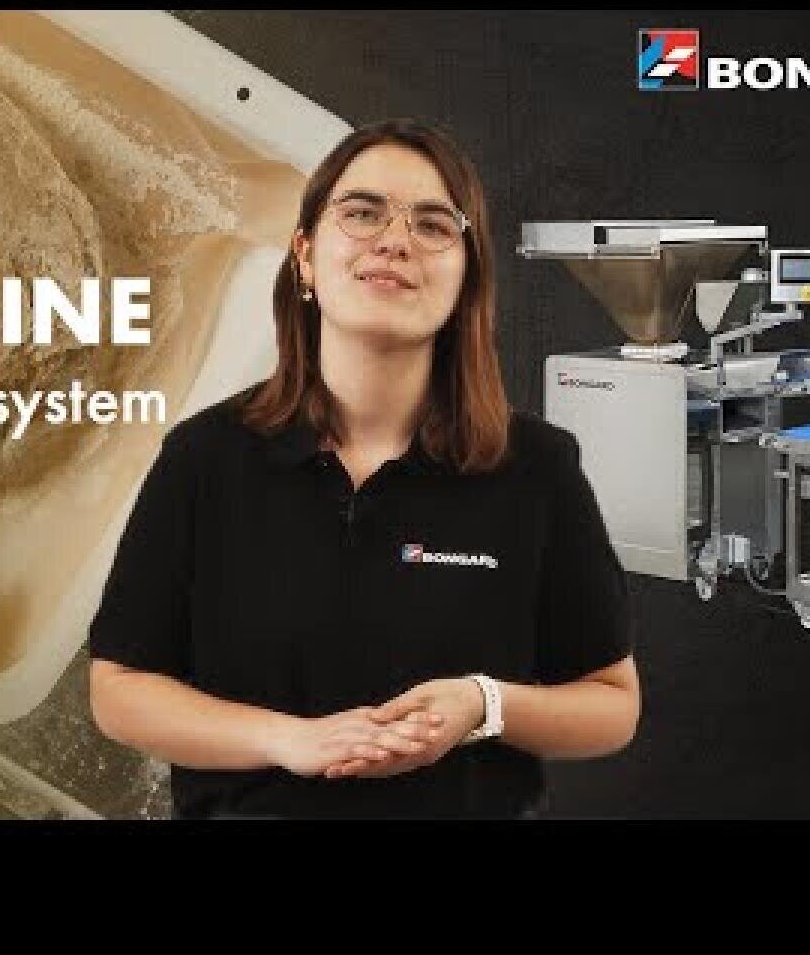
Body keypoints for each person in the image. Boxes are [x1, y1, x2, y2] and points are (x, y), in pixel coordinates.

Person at [87, 117, 639, 819]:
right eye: (362, 212)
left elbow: (612, 705)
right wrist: (290, 741)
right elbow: (121, 687)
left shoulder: (536, 469)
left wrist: (484, 704)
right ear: (306, 256)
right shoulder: (205, 456)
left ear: (467, 278)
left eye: (435, 225)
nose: (396, 240)